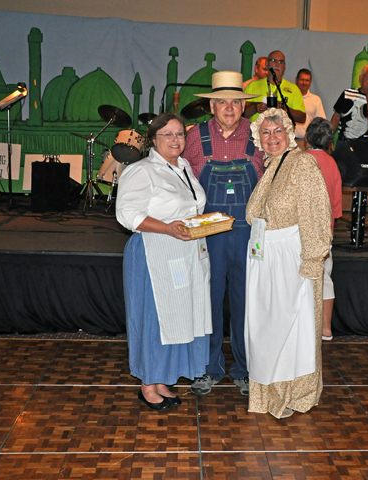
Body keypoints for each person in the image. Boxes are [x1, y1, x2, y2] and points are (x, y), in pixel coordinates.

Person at [116, 112, 212, 412]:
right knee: (154, 319)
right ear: (153, 140)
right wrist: (168, 228)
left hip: (184, 252)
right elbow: (127, 214)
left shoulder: (184, 167)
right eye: (167, 134)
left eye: (180, 133)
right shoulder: (142, 170)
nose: (175, 139)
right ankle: (148, 384)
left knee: (176, 318)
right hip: (154, 252)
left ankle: (161, 379)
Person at [244, 108, 331, 419]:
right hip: (266, 258)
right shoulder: (272, 166)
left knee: (292, 330)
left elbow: (316, 213)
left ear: (290, 133)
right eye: (265, 133)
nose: (272, 137)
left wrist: (312, 260)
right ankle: (267, 393)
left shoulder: (302, 163)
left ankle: (294, 394)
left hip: (290, 259)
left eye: (277, 131)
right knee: (266, 329)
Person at [182, 71, 265, 397]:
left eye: (235, 102)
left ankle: (245, 370)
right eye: (222, 102)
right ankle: (208, 368)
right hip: (208, 235)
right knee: (207, 303)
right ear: (211, 106)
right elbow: (180, 181)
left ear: (243, 106)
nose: (229, 107)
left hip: (247, 234)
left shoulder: (259, 135)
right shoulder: (194, 137)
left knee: (246, 304)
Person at [304, 117, 342, 341]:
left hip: (301, 230)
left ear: (306, 138)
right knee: (325, 277)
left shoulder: (300, 161)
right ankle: (326, 328)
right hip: (324, 230)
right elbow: (336, 205)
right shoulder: (332, 163)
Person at [244, 51, 306, 125]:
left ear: (284, 66)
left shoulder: (293, 89)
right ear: (267, 64)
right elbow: (241, 113)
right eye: (274, 60)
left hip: (282, 131)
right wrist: (255, 108)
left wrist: (284, 108)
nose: (277, 64)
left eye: (281, 62)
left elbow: (302, 118)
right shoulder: (253, 86)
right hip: (256, 131)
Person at [330, 64, 368, 142]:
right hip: (343, 141)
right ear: (361, 78)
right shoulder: (347, 93)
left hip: (363, 143)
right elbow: (336, 117)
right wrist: (329, 138)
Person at [293, 69, 326, 145]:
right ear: (296, 80)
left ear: (310, 82)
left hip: (306, 142)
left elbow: (320, 122)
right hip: (288, 141)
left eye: (307, 80)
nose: (304, 83)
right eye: (302, 80)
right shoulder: (289, 97)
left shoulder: (316, 100)